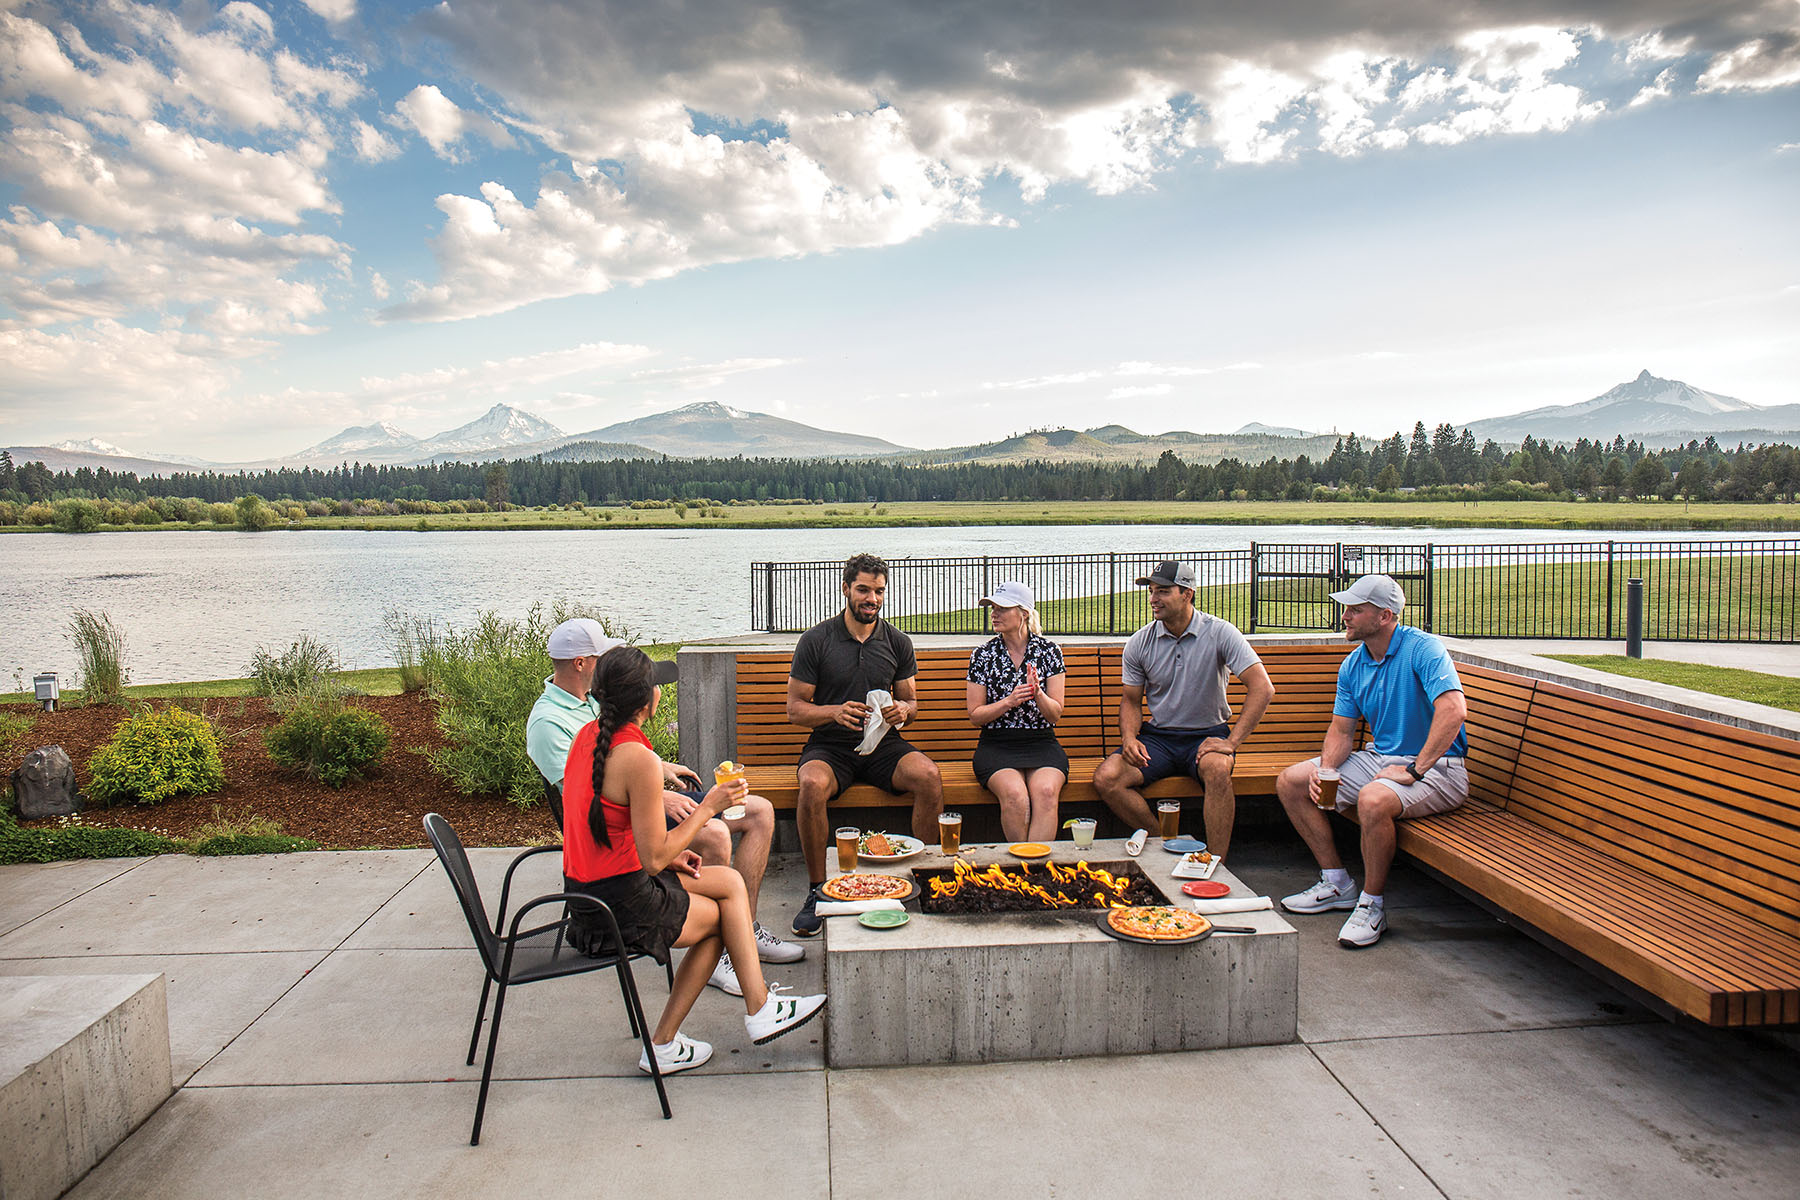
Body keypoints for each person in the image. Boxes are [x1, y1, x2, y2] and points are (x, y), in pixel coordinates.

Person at [561, 646, 825, 1075]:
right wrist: (709, 807)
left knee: (728, 884)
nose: (661, 691)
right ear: (647, 700)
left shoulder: (588, 737)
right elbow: (653, 858)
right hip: (616, 906)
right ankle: (673, 1039)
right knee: (722, 919)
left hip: (589, 891)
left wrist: (674, 857)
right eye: (657, 686)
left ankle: (758, 1008)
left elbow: (619, 834)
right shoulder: (638, 759)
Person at [526, 618, 804, 995]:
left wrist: (661, 769)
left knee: (758, 812)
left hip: (617, 856)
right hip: (617, 882)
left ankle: (745, 940)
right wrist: (682, 801)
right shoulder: (550, 723)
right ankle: (736, 958)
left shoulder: (594, 717)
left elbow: (618, 765)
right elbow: (592, 795)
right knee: (716, 839)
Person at [1275, 574, 1469, 949]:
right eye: (1346, 608)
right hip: (1380, 759)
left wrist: (1415, 769)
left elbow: (1453, 710)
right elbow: (1341, 730)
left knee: (1373, 799)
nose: (1344, 616)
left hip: (1440, 768)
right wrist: (1326, 770)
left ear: (1384, 616)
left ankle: (1372, 906)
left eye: (1355, 609)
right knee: (1292, 782)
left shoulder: (1423, 649)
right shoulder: (1354, 663)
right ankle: (1337, 884)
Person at [785, 553, 944, 937]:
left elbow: (912, 703)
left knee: (929, 776)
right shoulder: (817, 640)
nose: (872, 598)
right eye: (863, 590)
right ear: (846, 589)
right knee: (811, 784)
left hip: (883, 746)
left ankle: (923, 883)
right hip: (830, 746)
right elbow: (795, 709)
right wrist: (833, 712)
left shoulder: (897, 641)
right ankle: (817, 890)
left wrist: (903, 710)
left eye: (879, 591)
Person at [1092, 560, 1274, 861]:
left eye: (1163, 591)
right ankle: (1167, 846)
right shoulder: (1140, 642)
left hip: (1207, 735)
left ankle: (1214, 863)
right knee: (1107, 777)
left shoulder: (1221, 633)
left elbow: (1262, 688)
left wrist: (1231, 743)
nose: (1154, 599)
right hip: (1159, 739)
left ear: (1187, 594)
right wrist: (1129, 739)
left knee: (1217, 769)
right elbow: (1131, 701)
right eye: (1152, 591)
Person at [965, 581, 1067, 842]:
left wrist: (1038, 693)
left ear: (1023, 613)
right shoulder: (983, 655)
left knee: (1045, 792)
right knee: (1015, 795)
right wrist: (1008, 702)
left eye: (1002, 608)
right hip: (997, 745)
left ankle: (1035, 863)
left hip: (1041, 742)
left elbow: (1055, 715)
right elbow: (975, 715)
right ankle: (1022, 863)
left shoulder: (1049, 652)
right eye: (993, 608)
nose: (994, 614)